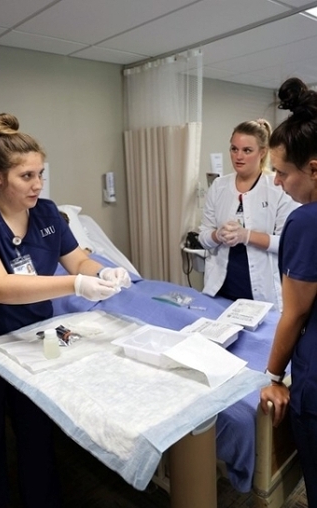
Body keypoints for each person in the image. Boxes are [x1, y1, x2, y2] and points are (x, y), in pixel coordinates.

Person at [0, 112, 131, 508]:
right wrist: (75, 284)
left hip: (36, 340)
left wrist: (105, 271)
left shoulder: (46, 212)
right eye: (27, 176)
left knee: (37, 434)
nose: (38, 184)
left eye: (40, 173)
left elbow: (77, 260)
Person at [259, 77, 317, 506]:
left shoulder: (306, 222)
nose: (277, 182)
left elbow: (295, 313)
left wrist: (274, 377)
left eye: (281, 171)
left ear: (314, 168)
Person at [199, 119, 298, 310]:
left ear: (262, 152)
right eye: (234, 149)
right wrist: (217, 235)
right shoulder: (219, 187)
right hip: (220, 291)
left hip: (261, 293)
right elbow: (203, 237)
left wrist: (247, 236)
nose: (238, 156)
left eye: (247, 150)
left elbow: (287, 243)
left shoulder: (277, 187)